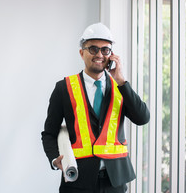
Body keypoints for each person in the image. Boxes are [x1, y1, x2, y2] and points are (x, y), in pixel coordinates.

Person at [41, 22, 150, 193]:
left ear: (111, 54)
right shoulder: (64, 88)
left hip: (115, 182)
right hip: (78, 181)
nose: (99, 54)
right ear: (81, 52)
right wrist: (55, 159)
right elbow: (49, 133)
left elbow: (142, 118)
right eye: (93, 49)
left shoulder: (121, 88)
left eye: (105, 50)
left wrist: (121, 81)